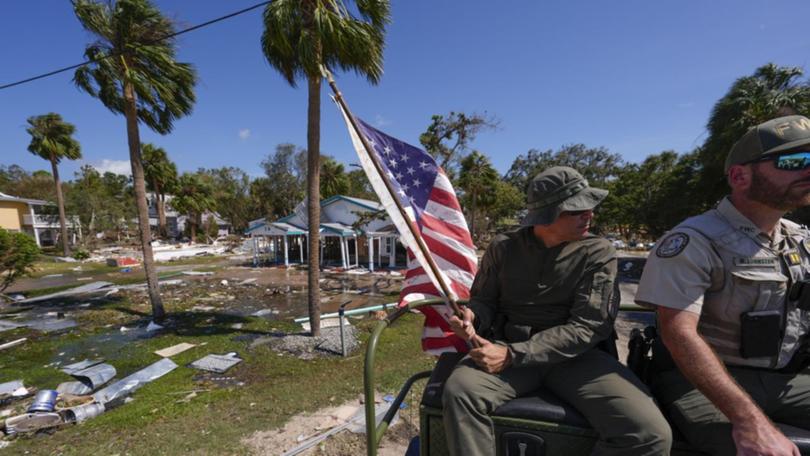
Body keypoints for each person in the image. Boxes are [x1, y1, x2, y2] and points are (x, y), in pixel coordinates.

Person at [443, 166, 672, 456]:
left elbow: (588, 327)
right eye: (576, 210)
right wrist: (472, 317)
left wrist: (514, 355)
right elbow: (484, 300)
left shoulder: (597, 252)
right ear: (547, 215)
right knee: (460, 391)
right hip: (507, 349)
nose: (589, 215)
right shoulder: (504, 247)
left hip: (575, 358)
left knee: (649, 433)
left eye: (589, 207)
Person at [636, 115, 810, 455]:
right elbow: (678, 333)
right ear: (739, 176)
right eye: (794, 161)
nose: (808, 170)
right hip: (702, 381)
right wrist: (750, 421)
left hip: (788, 378)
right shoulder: (695, 240)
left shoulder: (799, 240)